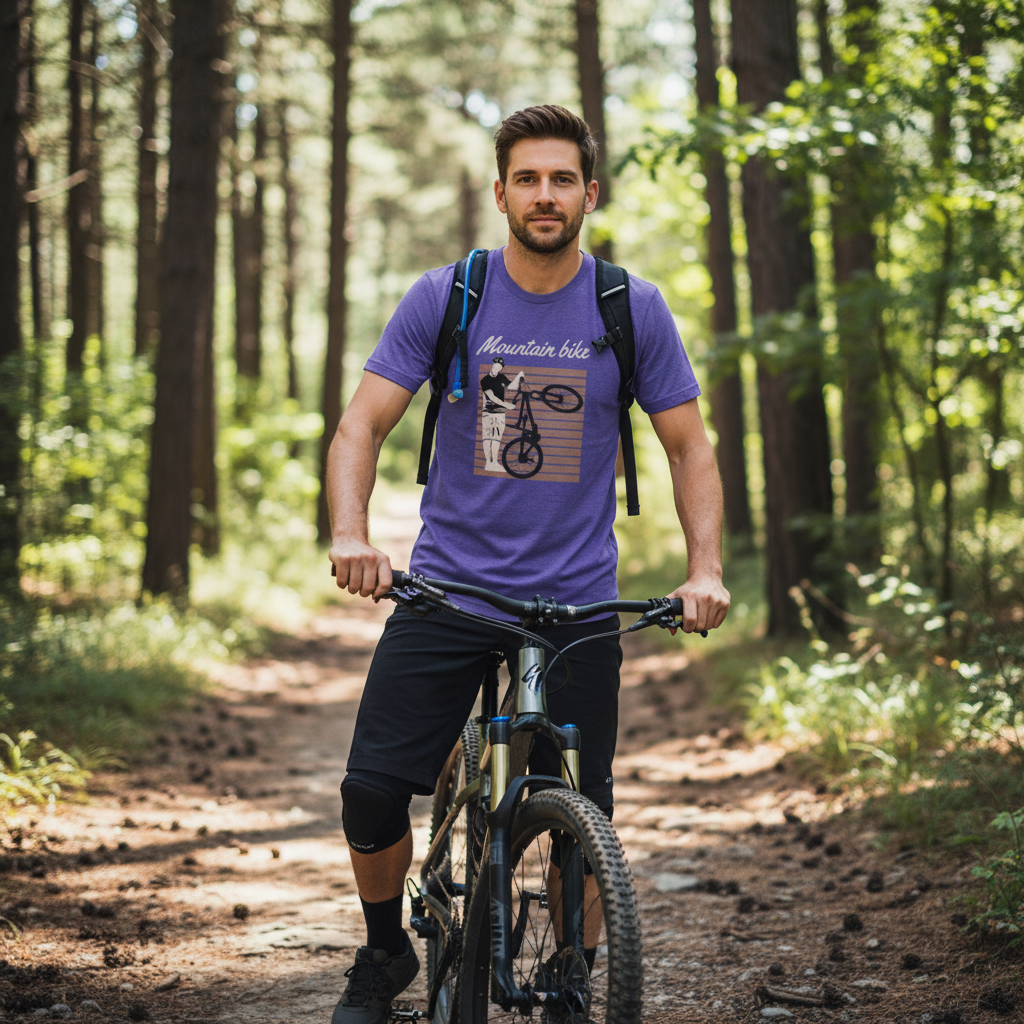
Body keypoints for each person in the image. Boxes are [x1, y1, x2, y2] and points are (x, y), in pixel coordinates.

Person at [326, 104, 730, 1024]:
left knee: (590, 813)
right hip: (451, 589)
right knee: (372, 789)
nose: (544, 195)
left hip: (578, 601)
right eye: (527, 179)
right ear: (500, 191)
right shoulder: (449, 295)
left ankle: (575, 980)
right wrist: (352, 534)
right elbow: (362, 425)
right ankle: (385, 950)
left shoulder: (630, 306)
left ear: (589, 193)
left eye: (561, 180)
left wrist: (704, 569)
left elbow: (689, 448)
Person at [480, 356, 524, 471]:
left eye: (499, 366)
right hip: (489, 413)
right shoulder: (485, 380)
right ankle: (488, 463)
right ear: (492, 365)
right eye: (495, 365)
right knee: (488, 437)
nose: (497, 367)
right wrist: (507, 405)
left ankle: (493, 462)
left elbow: (512, 386)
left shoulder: (501, 378)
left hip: (500, 413)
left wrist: (519, 376)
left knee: (497, 438)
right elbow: (492, 397)